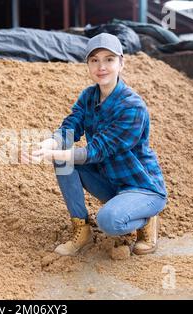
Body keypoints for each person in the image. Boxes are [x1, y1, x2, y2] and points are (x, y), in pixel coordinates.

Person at [22, 33, 167, 256]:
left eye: (109, 59)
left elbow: (98, 150)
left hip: (141, 187)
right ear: (88, 65)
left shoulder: (132, 106)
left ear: (121, 62)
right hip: (111, 182)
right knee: (63, 159)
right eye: (94, 60)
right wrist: (48, 144)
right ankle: (82, 229)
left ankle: (146, 218)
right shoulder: (89, 96)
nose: (102, 66)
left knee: (109, 221)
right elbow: (71, 127)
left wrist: (56, 154)